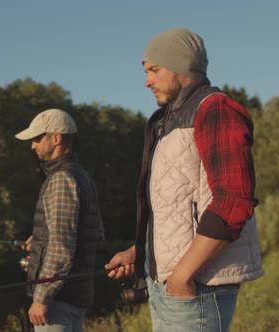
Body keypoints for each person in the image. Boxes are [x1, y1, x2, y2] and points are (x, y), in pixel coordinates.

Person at [105, 28, 264, 331]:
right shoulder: (168, 122)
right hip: (169, 284)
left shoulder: (215, 108)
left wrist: (182, 276)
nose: (146, 81)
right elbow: (176, 210)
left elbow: (233, 200)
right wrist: (141, 250)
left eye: (153, 70)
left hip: (197, 286)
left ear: (179, 65)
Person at [15, 108, 105, 332]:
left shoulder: (62, 179)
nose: (32, 145)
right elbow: (96, 234)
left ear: (56, 138)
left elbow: (61, 247)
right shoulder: (82, 176)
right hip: (77, 297)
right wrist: (41, 237)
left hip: (58, 301)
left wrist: (42, 297)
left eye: (37, 138)